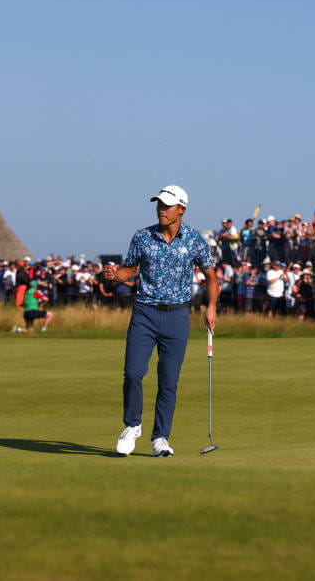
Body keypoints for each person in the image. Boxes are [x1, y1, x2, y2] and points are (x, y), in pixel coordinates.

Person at [105, 185, 218, 457]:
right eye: (159, 205)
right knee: (133, 372)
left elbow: (211, 277)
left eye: (167, 205)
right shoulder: (142, 237)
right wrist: (114, 275)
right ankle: (132, 425)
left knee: (168, 380)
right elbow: (129, 271)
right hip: (144, 312)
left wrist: (212, 307)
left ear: (182, 209)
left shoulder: (195, 240)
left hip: (177, 316)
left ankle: (161, 438)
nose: (161, 210)